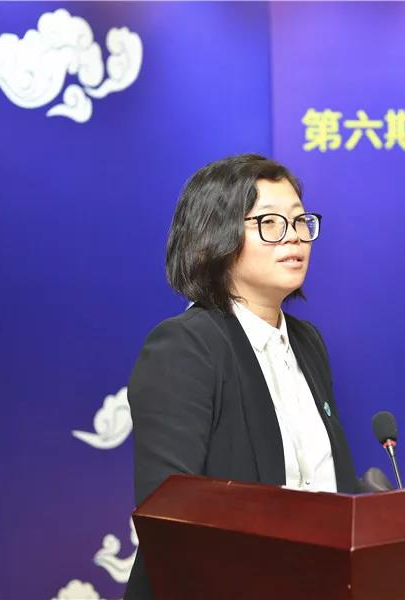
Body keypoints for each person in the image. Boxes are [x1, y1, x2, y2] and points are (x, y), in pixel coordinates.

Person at [124, 154, 357, 600]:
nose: (295, 236)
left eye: (300, 220)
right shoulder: (186, 346)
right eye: (270, 223)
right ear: (216, 236)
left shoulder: (307, 342)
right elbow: (169, 514)